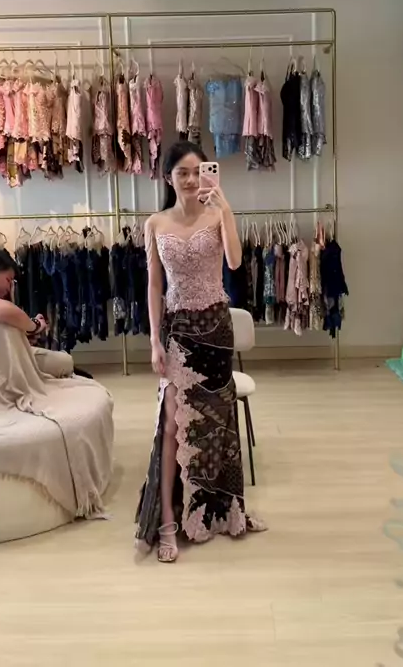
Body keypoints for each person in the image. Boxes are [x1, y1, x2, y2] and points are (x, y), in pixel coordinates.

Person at [135, 141, 265, 563]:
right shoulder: (155, 223)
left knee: (219, 423)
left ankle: (224, 510)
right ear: (168, 177)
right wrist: (154, 341)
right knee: (172, 424)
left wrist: (226, 211)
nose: (191, 180)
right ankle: (168, 522)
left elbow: (235, 262)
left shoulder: (216, 215)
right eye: (183, 173)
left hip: (216, 329)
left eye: (197, 171)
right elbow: (155, 285)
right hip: (178, 331)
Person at [0, 248, 92, 379]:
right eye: (8, 280)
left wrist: (22, 332)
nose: (10, 287)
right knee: (65, 361)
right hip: (1, 362)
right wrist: (34, 325)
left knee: (62, 361)